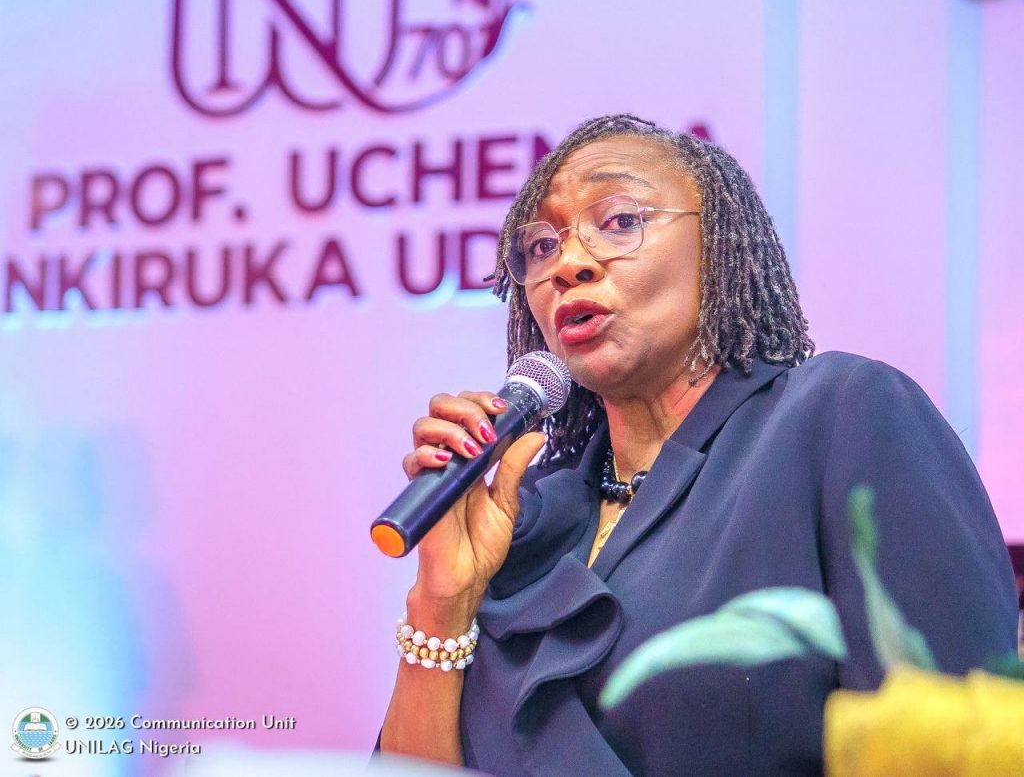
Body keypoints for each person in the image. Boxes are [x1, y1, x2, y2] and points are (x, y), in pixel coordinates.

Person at [377, 114, 1017, 775]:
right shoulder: (523, 515)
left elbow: (950, 744)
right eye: (540, 246)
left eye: (619, 220)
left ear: (719, 245)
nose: (567, 264)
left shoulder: (840, 415)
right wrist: (442, 604)